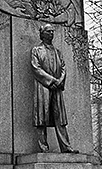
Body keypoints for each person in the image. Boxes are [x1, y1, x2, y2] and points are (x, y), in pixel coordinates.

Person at [31, 24, 78, 153]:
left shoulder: (57, 52)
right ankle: (43, 147)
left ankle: (66, 146)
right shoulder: (36, 50)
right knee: (42, 119)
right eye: (49, 31)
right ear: (43, 33)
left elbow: (63, 68)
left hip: (57, 88)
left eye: (53, 31)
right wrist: (51, 80)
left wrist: (60, 81)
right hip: (43, 87)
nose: (52, 33)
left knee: (60, 118)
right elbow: (36, 68)